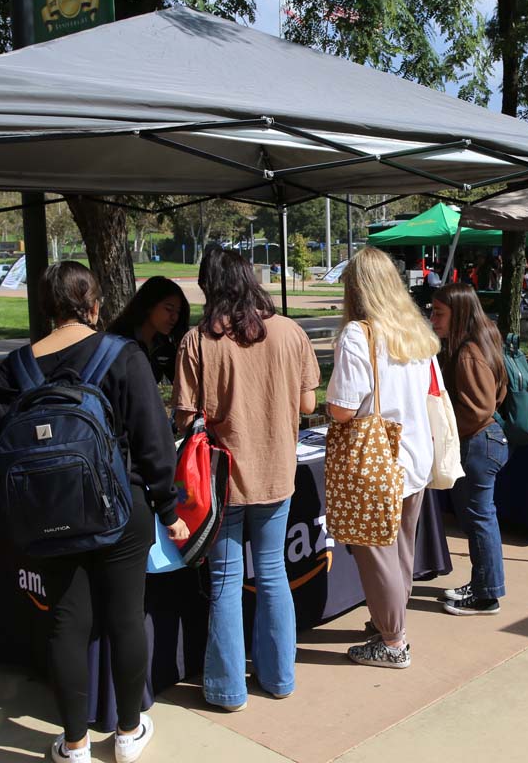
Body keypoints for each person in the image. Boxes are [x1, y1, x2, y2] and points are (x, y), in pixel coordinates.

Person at [0, 262, 187, 763]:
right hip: (121, 509)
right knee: (125, 620)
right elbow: (153, 441)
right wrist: (168, 504)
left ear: (46, 307)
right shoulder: (123, 355)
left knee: (65, 625)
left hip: (46, 514)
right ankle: (126, 732)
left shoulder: (14, 367)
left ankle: (73, 744)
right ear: (94, 305)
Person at [173, 250, 319, 711]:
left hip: (221, 481)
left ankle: (227, 689)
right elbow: (309, 405)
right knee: (273, 573)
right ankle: (279, 678)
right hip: (276, 473)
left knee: (225, 580)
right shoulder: (290, 332)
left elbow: (183, 417)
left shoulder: (198, 342)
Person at [326, 247, 440, 668]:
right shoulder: (415, 331)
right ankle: (389, 623)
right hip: (414, 454)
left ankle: (393, 641)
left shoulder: (360, 334)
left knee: (377, 555)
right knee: (401, 551)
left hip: (378, 462)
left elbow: (342, 406)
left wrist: (328, 408)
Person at [430, 283, 509, 616]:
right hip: (485, 442)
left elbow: (479, 408)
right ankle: (482, 585)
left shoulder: (468, 352)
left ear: (459, 313)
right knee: (479, 519)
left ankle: (485, 594)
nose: (433, 320)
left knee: (479, 520)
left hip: (479, 443)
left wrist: (443, 430)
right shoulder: (482, 341)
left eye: (439, 314)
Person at [108, 276, 189, 383]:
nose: (174, 317)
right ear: (149, 305)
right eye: (169, 309)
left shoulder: (163, 345)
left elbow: (181, 380)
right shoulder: (119, 341)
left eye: (178, 312)